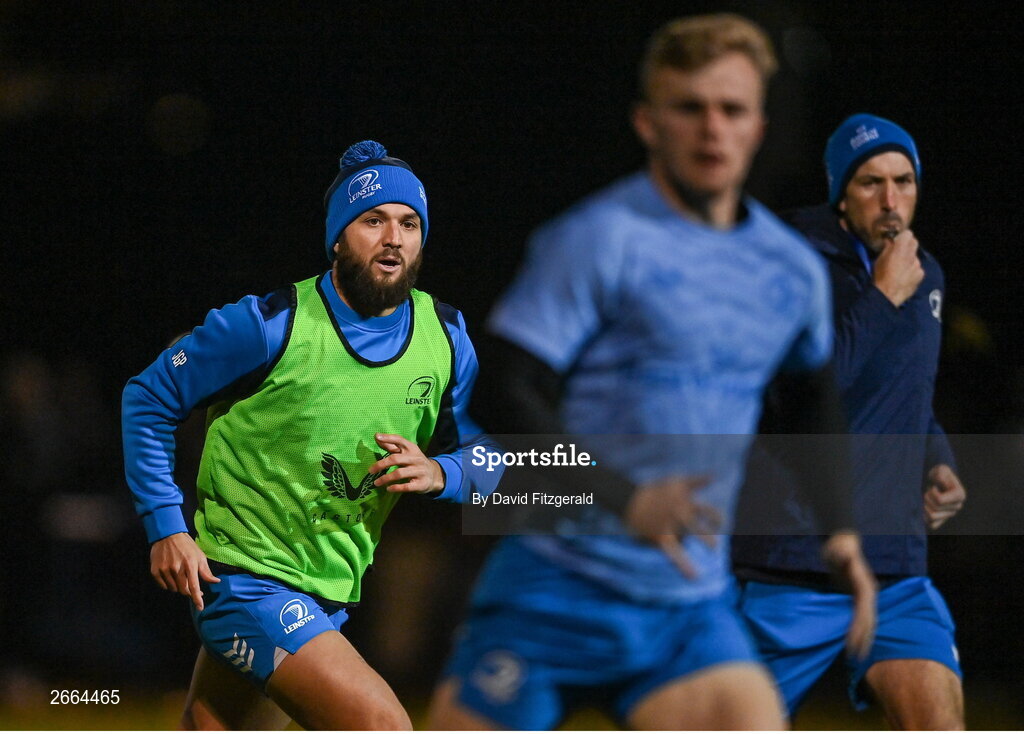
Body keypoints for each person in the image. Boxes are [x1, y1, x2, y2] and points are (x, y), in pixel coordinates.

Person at [428, 15, 876, 731]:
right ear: (648, 122)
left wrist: (842, 534)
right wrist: (625, 498)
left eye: (731, 110)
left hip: (686, 608)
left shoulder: (790, 271)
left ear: (757, 125)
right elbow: (505, 394)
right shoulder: (597, 240)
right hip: (553, 589)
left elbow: (810, 395)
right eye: (688, 107)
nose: (712, 129)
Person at [122, 140, 485, 730]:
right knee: (381, 725)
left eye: (409, 223)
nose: (394, 237)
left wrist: (445, 472)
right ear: (339, 238)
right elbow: (148, 396)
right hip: (244, 582)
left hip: (329, 591)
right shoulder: (269, 326)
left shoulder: (445, 340)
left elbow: (484, 458)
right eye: (373, 220)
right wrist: (166, 525)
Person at [732, 114, 967, 729]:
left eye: (905, 181)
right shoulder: (790, 264)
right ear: (840, 191)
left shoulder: (924, 274)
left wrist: (936, 458)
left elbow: (908, 390)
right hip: (794, 564)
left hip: (895, 570)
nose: (892, 201)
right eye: (870, 183)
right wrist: (880, 300)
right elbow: (798, 392)